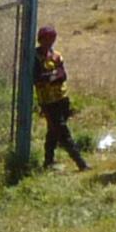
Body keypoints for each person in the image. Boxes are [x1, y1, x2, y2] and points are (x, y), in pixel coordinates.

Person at [34, 25, 82, 170]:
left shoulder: (56, 55)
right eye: (46, 39)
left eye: (52, 39)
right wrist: (53, 76)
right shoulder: (35, 57)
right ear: (40, 39)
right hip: (48, 101)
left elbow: (62, 75)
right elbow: (38, 78)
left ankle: (48, 160)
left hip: (62, 98)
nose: (49, 42)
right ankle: (80, 162)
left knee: (53, 130)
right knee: (62, 131)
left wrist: (50, 76)